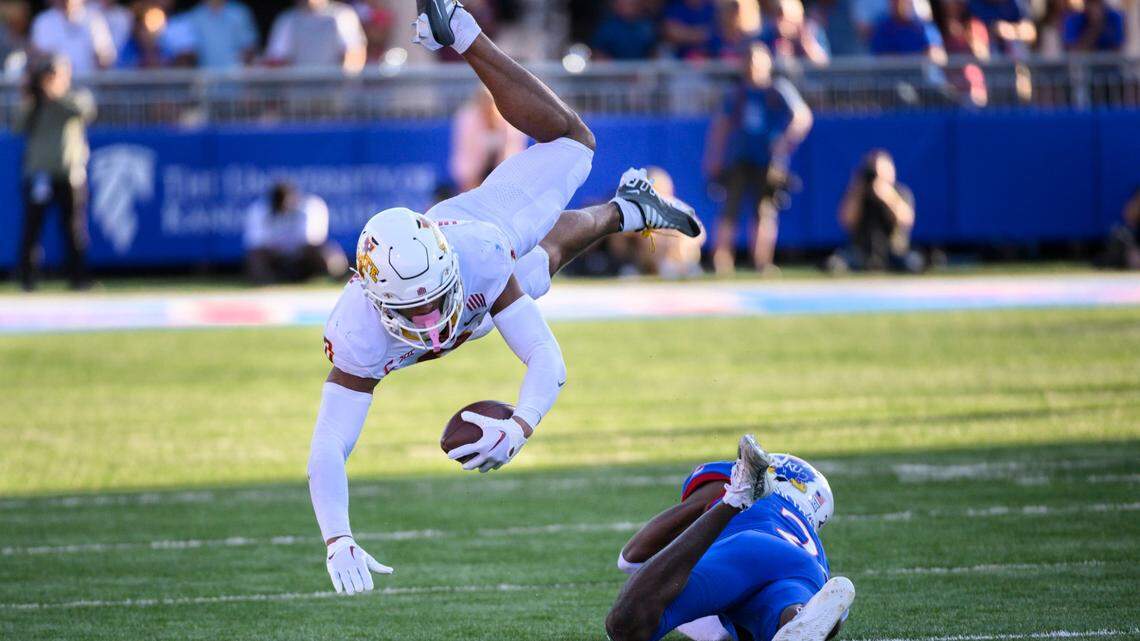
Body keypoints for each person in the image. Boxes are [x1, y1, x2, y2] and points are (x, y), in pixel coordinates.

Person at [308, 0, 704, 597]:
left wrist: (520, 425)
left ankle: (460, 31)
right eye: (412, 311)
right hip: (475, 269)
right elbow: (329, 444)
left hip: (484, 221)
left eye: (434, 300)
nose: (429, 319)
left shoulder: (479, 257)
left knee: (574, 142)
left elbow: (547, 360)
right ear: (376, 297)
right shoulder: (358, 329)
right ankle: (630, 209)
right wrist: (336, 535)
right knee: (539, 271)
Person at [606, 435, 855, 641]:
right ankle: (799, 614)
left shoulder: (753, 487)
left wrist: (729, 497)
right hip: (807, 570)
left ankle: (736, 499)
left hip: (746, 551)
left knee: (624, 627)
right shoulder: (811, 539)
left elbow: (630, 558)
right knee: (785, 618)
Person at [704, 42, 812, 275]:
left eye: (758, 61)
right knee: (729, 209)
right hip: (739, 156)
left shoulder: (777, 90)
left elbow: (802, 117)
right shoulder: (738, 92)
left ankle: (761, 261)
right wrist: (715, 155)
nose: (753, 66)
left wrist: (784, 141)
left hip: (768, 159)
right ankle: (721, 260)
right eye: (749, 61)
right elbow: (721, 126)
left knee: (764, 211)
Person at [13, 56, 95, 291]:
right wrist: (33, 97)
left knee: (73, 228)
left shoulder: (75, 97)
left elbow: (84, 111)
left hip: (69, 172)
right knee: (32, 227)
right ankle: (27, 278)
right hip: (39, 172)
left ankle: (78, 278)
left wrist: (55, 93)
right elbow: (18, 126)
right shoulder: (35, 102)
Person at [827, 149, 923, 274]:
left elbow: (906, 220)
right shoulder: (857, 193)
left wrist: (887, 195)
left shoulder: (900, 192)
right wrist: (857, 190)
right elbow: (847, 221)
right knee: (835, 264)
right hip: (861, 252)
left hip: (894, 251)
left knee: (913, 263)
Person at [243, 182, 349, 285]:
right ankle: (265, 284)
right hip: (276, 260)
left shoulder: (311, 206)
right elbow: (257, 244)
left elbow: (313, 241)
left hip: (303, 260)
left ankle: (340, 278)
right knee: (257, 257)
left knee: (326, 251)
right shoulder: (259, 210)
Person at [449, 86, 527, 193]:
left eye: (489, 100)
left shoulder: (508, 120)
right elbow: (465, 152)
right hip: (474, 176)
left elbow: (514, 151)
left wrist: (503, 180)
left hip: (502, 177)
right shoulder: (468, 120)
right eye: (482, 100)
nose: (486, 104)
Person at [265, 0, 367, 72]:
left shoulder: (343, 15)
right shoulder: (287, 19)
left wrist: (345, 83)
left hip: (334, 92)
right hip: (298, 93)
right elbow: (277, 58)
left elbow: (355, 53)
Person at [29, 0, 116, 75]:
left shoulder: (94, 19)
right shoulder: (43, 21)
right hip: (55, 89)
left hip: (88, 87)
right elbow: (36, 57)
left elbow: (106, 57)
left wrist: (101, 58)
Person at [179, 0, 259, 69]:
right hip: (204, 80)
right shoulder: (193, 17)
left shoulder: (239, 13)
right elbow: (189, 53)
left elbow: (249, 48)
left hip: (236, 79)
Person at [869, 0, 947, 60]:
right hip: (892, 78)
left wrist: (930, 54)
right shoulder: (883, 27)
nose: (899, 4)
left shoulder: (922, 25)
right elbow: (882, 58)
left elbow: (940, 56)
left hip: (923, 77)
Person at [592, 0, 658, 60]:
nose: (628, 8)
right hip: (613, 70)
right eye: (624, 4)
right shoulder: (607, 28)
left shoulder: (648, 26)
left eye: (631, 4)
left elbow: (654, 52)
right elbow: (599, 53)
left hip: (643, 70)